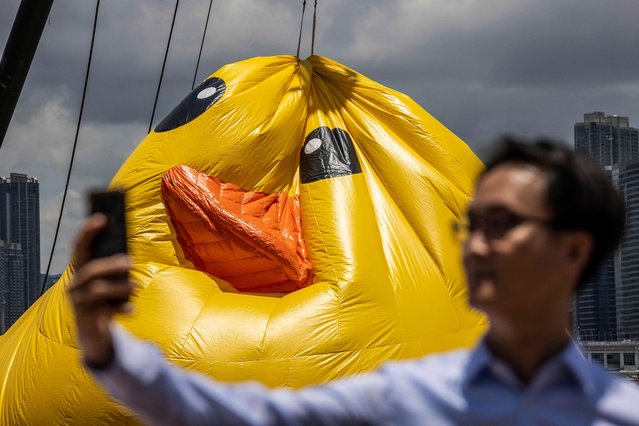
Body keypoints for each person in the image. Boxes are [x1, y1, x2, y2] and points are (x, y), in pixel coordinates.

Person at [69, 137, 639, 425]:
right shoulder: (407, 394)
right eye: (473, 224)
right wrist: (104, 347)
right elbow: (224, 412)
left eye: (503, 225)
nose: (477, 245)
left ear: (573, 250)